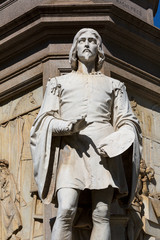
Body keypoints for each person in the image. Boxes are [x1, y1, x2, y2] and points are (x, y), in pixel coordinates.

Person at [30, 28, 142, 240]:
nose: (87, 44)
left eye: (92, 40)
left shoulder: (115, 85)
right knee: (66, 210)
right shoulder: (58, 83)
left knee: (101, 213)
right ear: (75, 48)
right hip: (71, 148)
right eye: (82, 40)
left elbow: (128, 121)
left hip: (104, 151)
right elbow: (43, 121)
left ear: (99, 49)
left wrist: (118, 140)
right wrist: (68, 127)